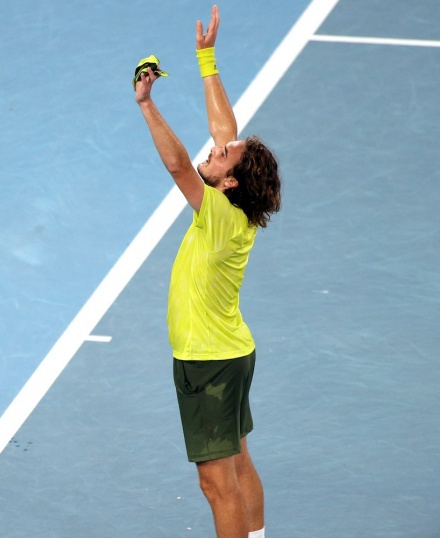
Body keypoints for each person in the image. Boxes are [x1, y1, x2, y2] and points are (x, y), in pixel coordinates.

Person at [134, 5, 281, 538]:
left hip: (209, 365)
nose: (214, 149)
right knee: (239, 462)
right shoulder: (235, 210)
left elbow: (177, 164)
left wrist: (147, 104)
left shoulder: (215, 212)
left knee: (216, 484)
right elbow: (226, 127)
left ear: (230, 183)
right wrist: (206, 58)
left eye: (224, 156)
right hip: (233, 353)